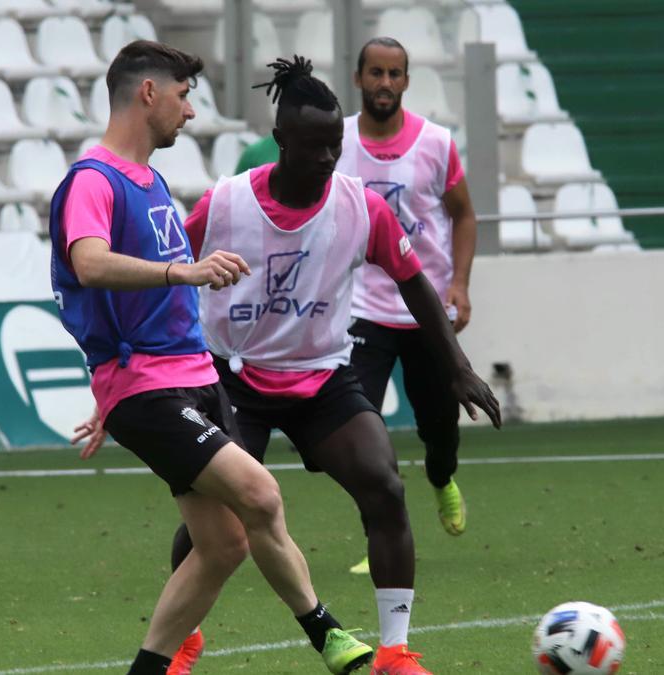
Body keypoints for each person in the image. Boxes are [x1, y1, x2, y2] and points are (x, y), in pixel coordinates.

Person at [168, 56, 502, 675]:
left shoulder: (360, 207)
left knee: (386, 486)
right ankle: (181, 643)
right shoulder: (225, 205)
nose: (327, 158)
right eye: (313, 146)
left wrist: (455, 366)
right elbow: (166, 276)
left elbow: (415, 285)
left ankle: (395, 653)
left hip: (322, 374)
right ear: (280, 141)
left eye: (334, 146)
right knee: (212, 522)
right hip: (235, 378)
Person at [53, 41, 373, 675]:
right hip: (149, 387)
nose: (191, 111)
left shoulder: (149, 180)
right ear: (148, 94)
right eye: (183, 95)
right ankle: (328, 634)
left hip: (192, 377)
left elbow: (131, 301)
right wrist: (185, 272)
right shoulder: (94, 179)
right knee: (260, 492)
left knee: (223, 544)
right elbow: (88, 263)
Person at [338, 37, 481, 576]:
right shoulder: (340, 140)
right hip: (361, 308)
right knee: (358, 431)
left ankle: (442, 478)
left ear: (406, 80)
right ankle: (380, 535)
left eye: (395, 74)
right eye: (375, 73)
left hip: (426, 311)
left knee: (441, 427)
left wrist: (461, 284)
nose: (385, 84)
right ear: (358, 78)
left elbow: (464, 215)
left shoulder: (437, 143)